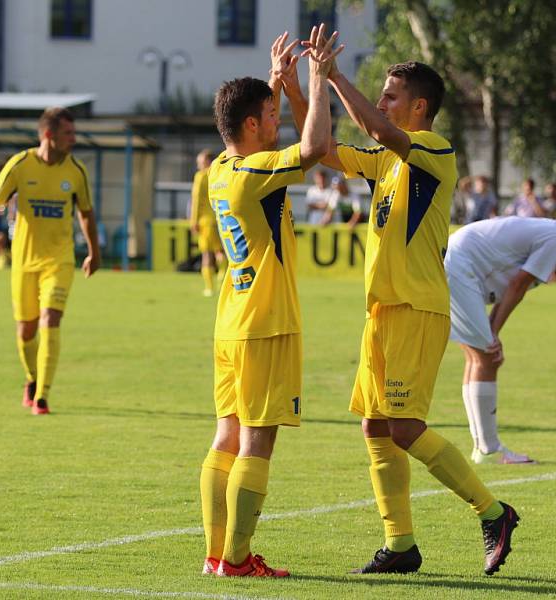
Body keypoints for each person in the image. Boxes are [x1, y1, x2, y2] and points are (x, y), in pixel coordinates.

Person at [279, 55, 519, 576]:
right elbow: (319, 149)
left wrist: (335, 75)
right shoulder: (386, 159)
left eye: (390, 95)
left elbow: (375, 126)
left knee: (406, 427)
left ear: (419, 106)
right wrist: (304, 90)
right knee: (375, 426)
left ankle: (494, 513)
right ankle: (400, 544)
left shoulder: (434, 149)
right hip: (383, 310)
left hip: (417, 306)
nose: (383, 102)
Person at [197, 26, 339, 579]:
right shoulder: (254, 172)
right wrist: (319, 78)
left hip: (231, 321)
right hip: (266, 322)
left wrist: (278, 84)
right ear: (250, 124)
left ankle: (216, 554)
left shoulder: (220, 173)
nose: (277, 123)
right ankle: (236, 558)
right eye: (270, 116)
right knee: (257, 440)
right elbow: (314, 149)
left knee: (226, 435)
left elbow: (279, 145)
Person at [445, 217, 556, 463]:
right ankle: (488, 450)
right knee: (487, 357)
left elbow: (513, 288)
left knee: (479, 357)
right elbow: (517, 286)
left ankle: (483, 447)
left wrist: (492, 331)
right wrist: (494, 333)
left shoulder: (553, 238)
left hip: (456, 261)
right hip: (460, 265)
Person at [0, 107, 100, 415]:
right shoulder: (20, 164)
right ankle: (31, 378)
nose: (73, 138)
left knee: (50, 320)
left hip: (59, 261)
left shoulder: (76, 171)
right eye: (67, 133)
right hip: (24, 262)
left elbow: (85, 213)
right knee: (26, 331)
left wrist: (94, 252)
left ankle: (42, 395)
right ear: (48, 135)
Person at [190, 148, 225, 297]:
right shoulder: (219, 174)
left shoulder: (201, 176)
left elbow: (196, 200)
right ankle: (223, 274)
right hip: (220, 216)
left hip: (205, 220)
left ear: (207, 161)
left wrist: (193, 221)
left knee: (207, 254)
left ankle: (210, 288)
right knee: (220, 250)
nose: (198, 164)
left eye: (200, 161)